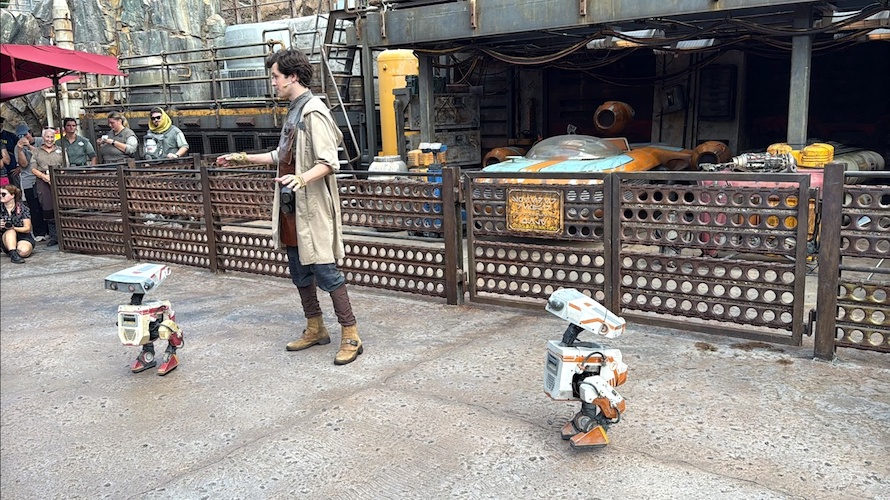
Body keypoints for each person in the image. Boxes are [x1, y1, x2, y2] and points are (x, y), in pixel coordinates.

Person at [216, 48, 362, 365]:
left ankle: (351, 334)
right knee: (299, 270)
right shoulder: (294, 111)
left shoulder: (313, 112)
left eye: (276, 76)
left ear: (292, 76)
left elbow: (329, 161)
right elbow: (280, 155)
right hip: (291, 208)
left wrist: (301, 178)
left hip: (311, 207)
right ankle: (316, 327)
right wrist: (241, 158)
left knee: (325, 270)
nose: (273, 82)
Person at [14, 124, 48, 241]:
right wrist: (20, 149)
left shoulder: (40, 141)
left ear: (30, 132)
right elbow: (23, 164)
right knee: (34, 207)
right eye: (21, 136)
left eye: (26, 134)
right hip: (29, 180)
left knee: (46, 206)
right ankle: (39, 233)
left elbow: (42, 156)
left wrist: (29, 146)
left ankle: (50, 231)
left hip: (42, 178)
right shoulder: (17, 146)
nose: (25, 137)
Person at [29, 127, 62, 247]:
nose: (50, 139)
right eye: (47, 137)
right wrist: (44, 177)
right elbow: (33, 168)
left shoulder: (60, 150)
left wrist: (55, 177)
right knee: (47, 208)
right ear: (43, 137)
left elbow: (65, 165)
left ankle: (64, 235)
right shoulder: (36, 151)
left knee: (61, 206)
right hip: (42, 180)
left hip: (58, 179)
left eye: (52, 137)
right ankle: (54, 237)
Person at [0, 185, 36, 263]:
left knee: (24, 252)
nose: (1, 196)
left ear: (12, 195)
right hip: (6, 237)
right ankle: (13, 253)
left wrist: (13, 227)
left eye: (3, 194)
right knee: (10, 232)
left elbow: (27, 228)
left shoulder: (22, 208)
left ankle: (14, 252)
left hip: (23, 236)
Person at [1, 117, 21, 187]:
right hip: (2, 171)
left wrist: (19, 166)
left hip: (13, 169)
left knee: (16, 190)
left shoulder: (11, 136)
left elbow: (20, 150)